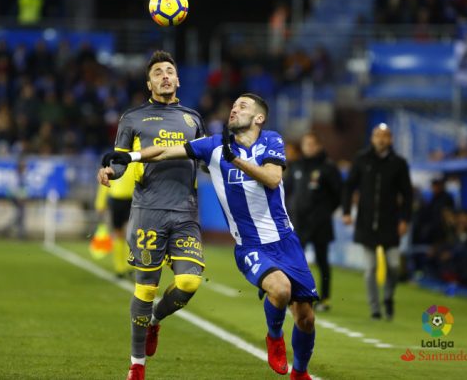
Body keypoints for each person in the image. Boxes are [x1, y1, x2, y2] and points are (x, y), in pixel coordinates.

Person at [103, 93, 318, 380]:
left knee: (305, 317)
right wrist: (130, 156)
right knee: (280, 290)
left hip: (286, 241)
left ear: (258, 118)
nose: (234, 109)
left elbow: (273, 178)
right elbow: (167, 150)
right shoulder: (215, 145)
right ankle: (274, 338)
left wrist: (237, 162)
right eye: (233, 105)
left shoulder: (271, 140)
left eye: (242, 106)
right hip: (251, 246)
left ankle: (300, 372)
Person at [97, 51, 206, 380]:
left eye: (169, 71)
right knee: (145, 288)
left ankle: (155, 320)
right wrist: (110, 173)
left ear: (178, 79)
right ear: (149, 83)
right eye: (157, 72)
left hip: (185, 211)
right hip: (148, 212)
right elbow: (118, 159)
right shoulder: (133, 118)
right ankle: (137, 363)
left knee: (189, 281)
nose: (164, 76)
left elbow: (203, 156)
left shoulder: (193, 118)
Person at [342, 123, 412, 320]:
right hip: (366, 222)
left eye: (385, 136)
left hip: (390, 222)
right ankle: (375, 308)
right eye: (378, 136)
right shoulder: (362, 159)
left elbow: (407, 194)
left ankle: (388, 297)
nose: (381, 139)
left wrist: (405, 219)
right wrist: (347, 211)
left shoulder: (399, 163)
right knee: (370, 268)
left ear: (391, 139)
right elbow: (349, 186)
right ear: (372, 138)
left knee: (394, 265)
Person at [286, 132, 342, 312]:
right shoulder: (296, 166)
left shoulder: (328, 167)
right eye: (305, 144)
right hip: (298, 222)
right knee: (294, 261)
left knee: (322, 261)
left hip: (320, 223)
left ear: (318, 146)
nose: (308, 148)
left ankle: (324, 299)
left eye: (311, 144)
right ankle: (293, 296)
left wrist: (325, 212)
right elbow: (287, 191)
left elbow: (338, 194)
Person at [94, 162, 137, 278]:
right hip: (116, 200)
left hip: (131, 200)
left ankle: (130, 266)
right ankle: (120, 268)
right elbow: (104, 182)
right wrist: (100, 203)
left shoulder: (135, 161)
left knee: (129, 233)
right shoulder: (113, 162)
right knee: (118, 234)